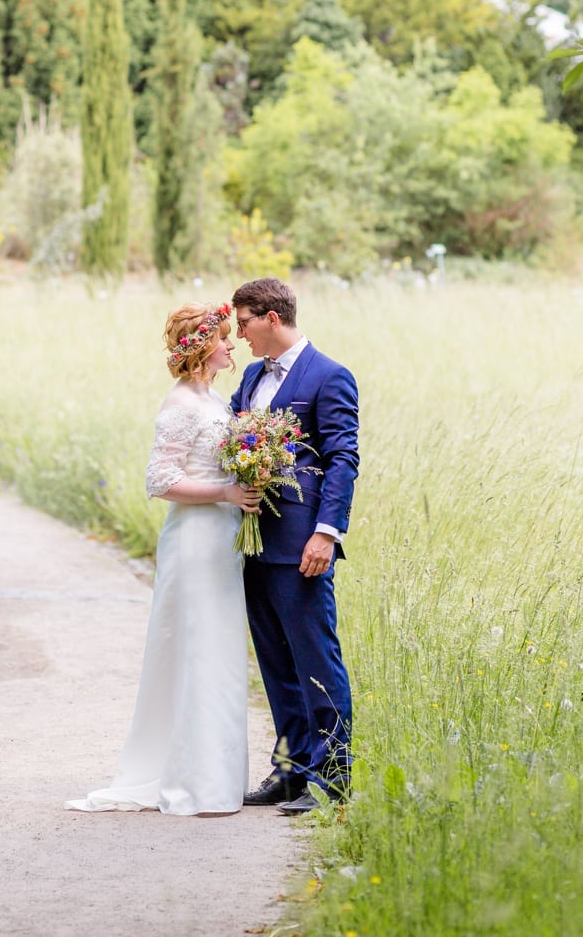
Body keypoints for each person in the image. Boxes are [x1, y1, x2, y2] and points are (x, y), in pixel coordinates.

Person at [65, 302, 261, 816]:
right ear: (199, 347)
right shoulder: (180, 404)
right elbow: (160, 481)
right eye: (223, 337)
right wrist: (226, 493)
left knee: (218, 650)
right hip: (195, 540)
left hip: (222, 538)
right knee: (197, 648)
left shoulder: (213, 398)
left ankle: (215, 777)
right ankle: (193, 782)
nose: (231, 344)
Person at [231, 277, 359, 816]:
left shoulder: (329, 377)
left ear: (272, 318)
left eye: (245, 324)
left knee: (315, 659)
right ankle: (289, 771)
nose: (240, 337)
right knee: (276, 663)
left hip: (302, 545)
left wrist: (326, 533)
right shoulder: (251, 377)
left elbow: (342, 459)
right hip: (253, 545)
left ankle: (330, 780)